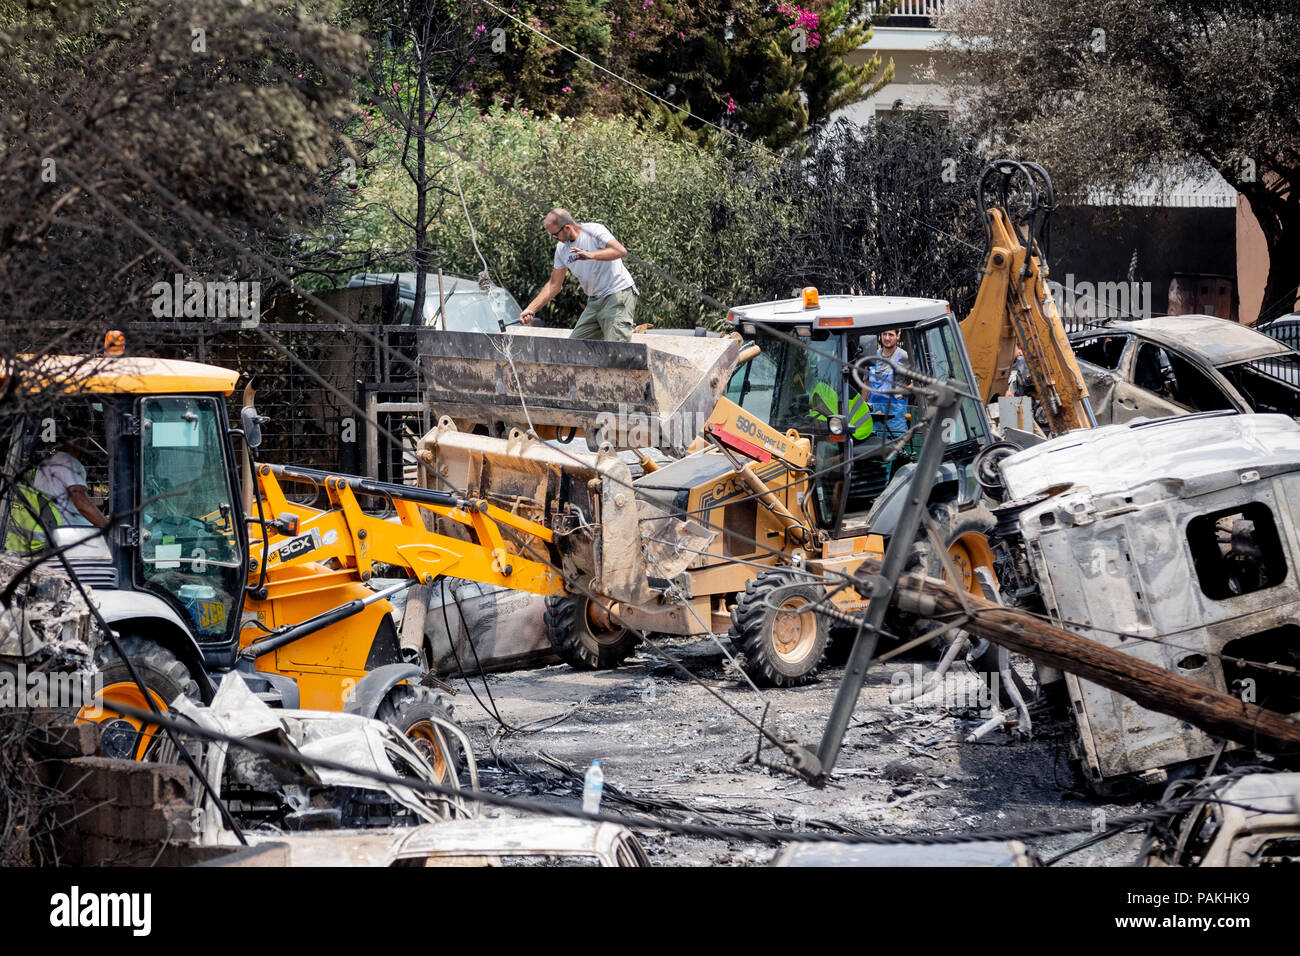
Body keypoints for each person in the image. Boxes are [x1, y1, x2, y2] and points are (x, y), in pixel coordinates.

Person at [519, 208, 638, 342]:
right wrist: (531, 309)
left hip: (617, 294)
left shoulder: (593, 231)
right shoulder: (561, 249)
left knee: (617, 348)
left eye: (555, 234)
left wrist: (592, 255)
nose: (553, 238)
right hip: (595, 301)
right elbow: (554, 285)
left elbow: (620, 251)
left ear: (567, 228)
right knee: (574, 347)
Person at [32, 440, 108, 529]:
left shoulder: (45, 463)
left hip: (51, 528)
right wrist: (106, 525)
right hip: (71, 532)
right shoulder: (70, 463)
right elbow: (81, 503)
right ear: (80, 442)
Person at [867, 328, 909, 437]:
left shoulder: (904, 357)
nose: (886, 338)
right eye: (884, 334)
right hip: (874, 415)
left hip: (895, 416)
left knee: (896, 450)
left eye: (890, 335)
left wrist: (902, 392)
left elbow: (918, 382)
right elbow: (866, 383)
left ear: (898, 336)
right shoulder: (872, 356)